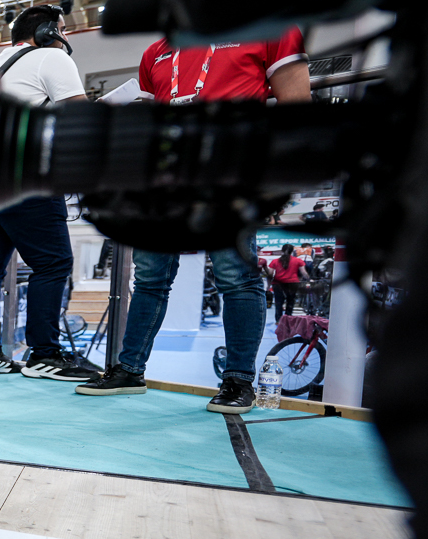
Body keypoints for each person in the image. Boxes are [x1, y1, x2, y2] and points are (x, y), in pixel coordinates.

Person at [78, 27, 310, 409]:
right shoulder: (157, 51)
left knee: (234, 276)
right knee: (150, 276)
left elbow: (297, 104)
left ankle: (238, 380)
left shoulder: (272, 31)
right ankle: (129, 370)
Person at [0, 4, 93, 382]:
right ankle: (45, 355)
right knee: (52, 264)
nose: (65, 36)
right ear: (46, 31)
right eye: (62, 29)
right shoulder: (49, 58)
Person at [268, 243, 306, 320]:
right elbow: (304, 273)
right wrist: (309, 279)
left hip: (278, 283)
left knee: (278, 302)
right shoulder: (298, 260)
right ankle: (288, 320)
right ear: (292, 251)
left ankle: (278, 320)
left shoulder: (275, 261)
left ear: (282, 250)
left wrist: (268, 285)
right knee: (290, 302)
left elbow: (270, 274)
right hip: (293, 283)